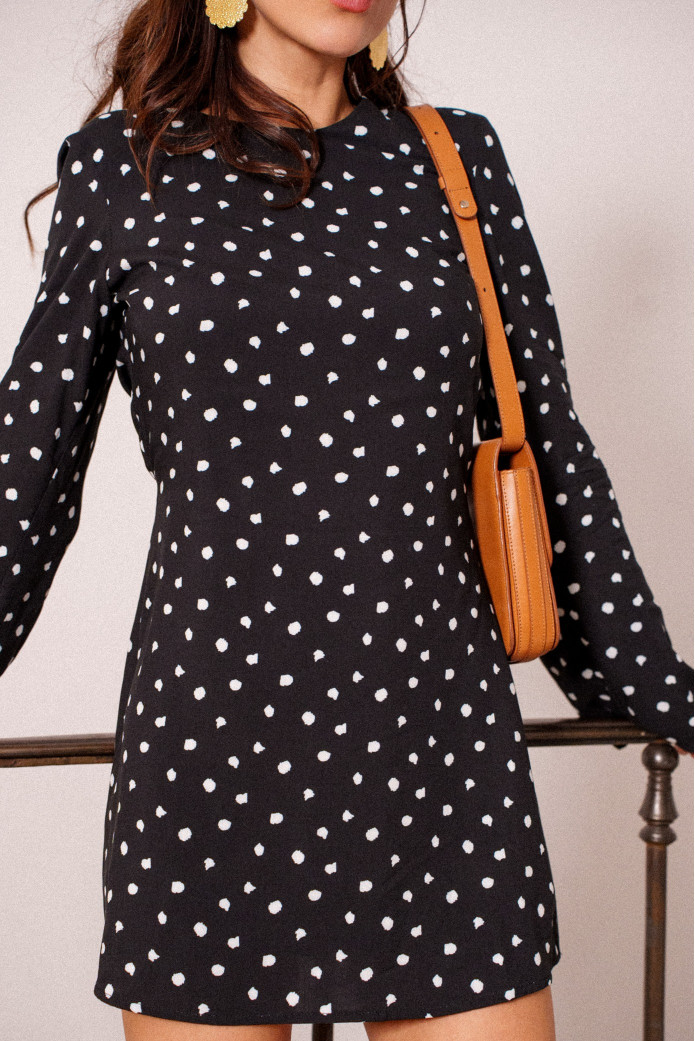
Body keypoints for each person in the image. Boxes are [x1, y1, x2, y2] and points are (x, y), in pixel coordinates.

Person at [2, 1, 692, 1039]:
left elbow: (546, 446)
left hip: (437, 746)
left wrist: (656, 687)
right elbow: (29, 457)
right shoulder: (125, 168)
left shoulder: (453, 160)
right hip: (215, 748)